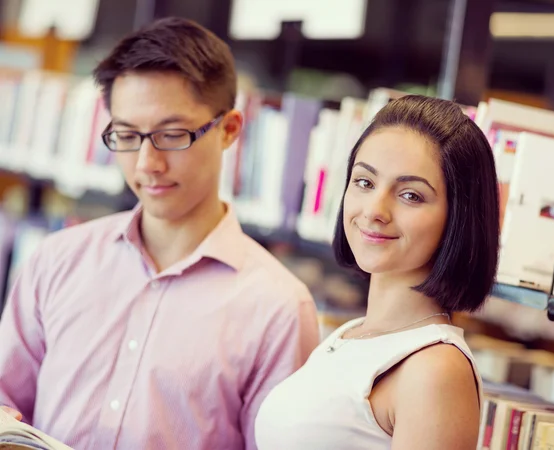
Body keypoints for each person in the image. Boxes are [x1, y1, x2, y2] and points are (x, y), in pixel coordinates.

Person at [0, 17, 320, 450]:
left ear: (229, 130)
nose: (147, 163)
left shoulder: (278, 307)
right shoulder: (56, 260)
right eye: (127, 135)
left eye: (172, 135)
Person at [254, 95, 500, 449]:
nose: (374, 210)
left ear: (458, 219)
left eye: (411, 195)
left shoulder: (435, 368)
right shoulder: (351, 334)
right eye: (365, 183)